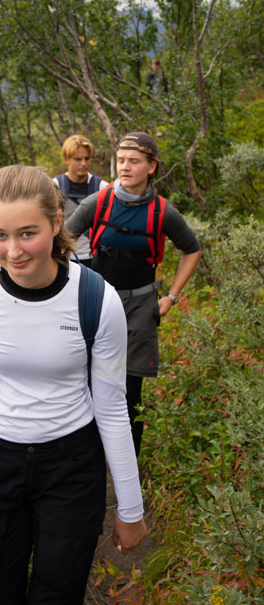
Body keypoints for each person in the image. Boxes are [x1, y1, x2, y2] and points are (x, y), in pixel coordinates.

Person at [0, 164, 146, 605]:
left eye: (27, 233)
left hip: (72, 468)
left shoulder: (96, 298)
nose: (13, 251)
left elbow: (112, 407)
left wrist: (131, 508)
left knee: (57, 595)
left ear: (56, 222)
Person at [66, 132, 201, 457]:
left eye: (134, 161)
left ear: (152, 167)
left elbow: (192, 249)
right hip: (97, 304)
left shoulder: (162, 212)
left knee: (130, 391)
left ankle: (126, 465)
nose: (125, 167)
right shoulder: (98, 202)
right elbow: (62, 240)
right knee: (86, 383)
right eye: (121, 160)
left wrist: (171, 296)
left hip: (140, 306)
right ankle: (88, 460)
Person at [53, 134, 107, 267]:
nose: (83, 163)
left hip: (93, 256)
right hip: (63, 256)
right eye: (78, 159)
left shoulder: (101, 187)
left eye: (87, 158)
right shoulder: (55, 185)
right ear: (66, 159)